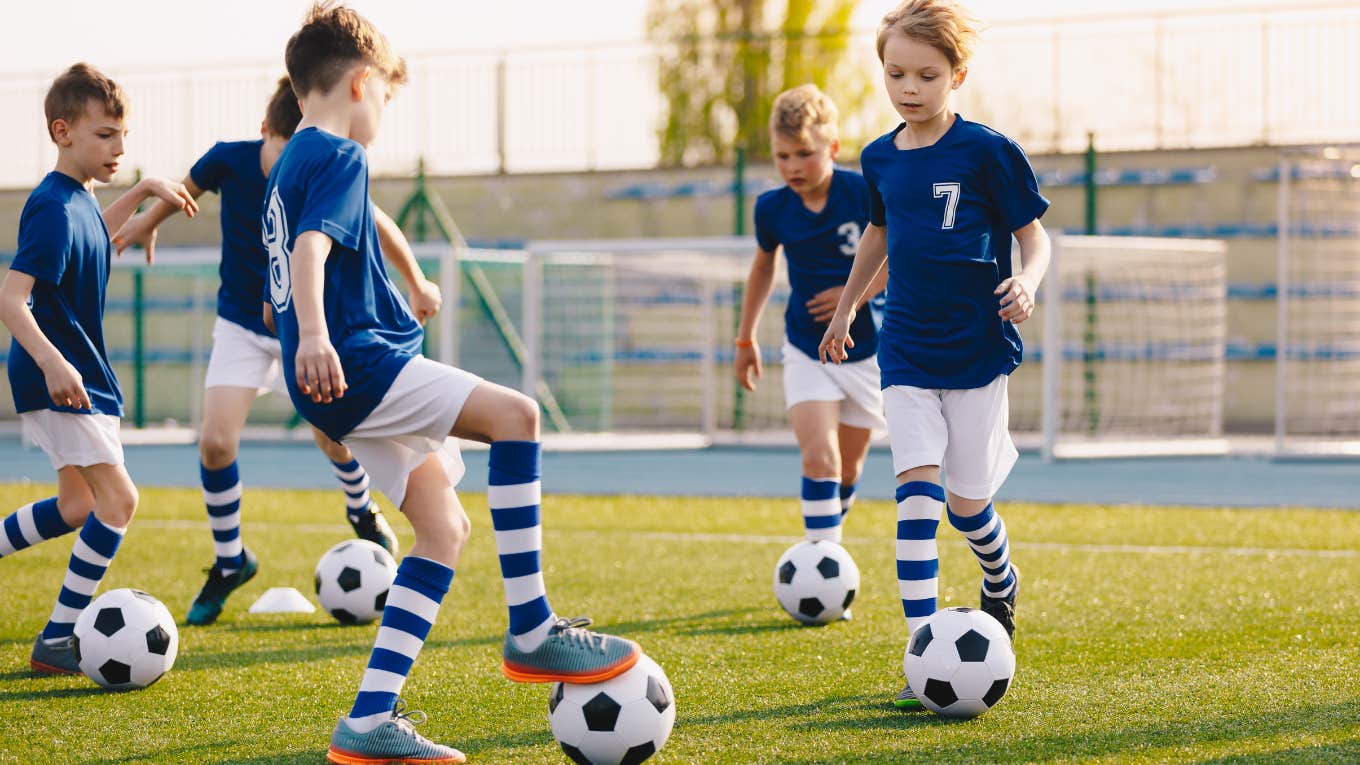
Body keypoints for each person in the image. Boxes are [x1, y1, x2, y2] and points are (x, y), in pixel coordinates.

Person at [264, 5, 642, 762]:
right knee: (518, 414)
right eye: (389, 102)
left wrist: (389, 287)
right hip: (361, 364)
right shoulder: (340, 155)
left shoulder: (292, 162)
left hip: (335, 380)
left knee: (444, 530)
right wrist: (315, 333)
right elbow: (310, 251)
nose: (384, 118)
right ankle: (533, 627)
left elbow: (330, 241)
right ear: (364, 84)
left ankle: (370, 718)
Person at [115, 75, 442, 626]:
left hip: (301, 326)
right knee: (216, 443)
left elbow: (374, 219)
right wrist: (148, 219)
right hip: (243, 324)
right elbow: (185, 190)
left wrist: (416, 281)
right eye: (277, 154)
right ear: (264, 130)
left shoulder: (317, 166)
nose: (283, 166)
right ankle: (229, 561)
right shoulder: (230, 160)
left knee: (331, 435)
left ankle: (361, 508)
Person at [818, 0, 1051, 709]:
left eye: (926, 73)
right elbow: (878, 238)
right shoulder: (879, 157)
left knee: (966, 504)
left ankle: (1000, 579)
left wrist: (1027, 282)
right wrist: (854, 303)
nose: (908, 87)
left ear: (957, 74)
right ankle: (924, 645)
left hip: (976, 350)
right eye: (896, 73)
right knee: (916, 494)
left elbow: (1035, 239)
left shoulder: (988, 150)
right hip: (908, 350)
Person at [0, 63, 198, 673]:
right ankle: (58, 638)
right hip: (61, 378)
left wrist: (139, 197)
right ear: (62, 132)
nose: (119, 147)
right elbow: (10, 296)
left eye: (122, 136)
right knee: (120, 501)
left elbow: (97, 235)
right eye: (104, 135)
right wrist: (54, 361)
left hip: (78, 375)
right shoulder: (52, 208)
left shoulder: (80, 201)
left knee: (77, 507)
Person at [735, 83, 887, 553]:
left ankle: (825, 556)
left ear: (833, 147)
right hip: (806, 349)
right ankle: (824, 565)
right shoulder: (771, 208)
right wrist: (745, 339)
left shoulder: (863, 191)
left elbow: (896, 254)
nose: (793, 167)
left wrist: (852, 297)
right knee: (820, 459)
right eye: (782, 156)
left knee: (848, 469)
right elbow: (762, 268)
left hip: (867, 351)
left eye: (804, 153)